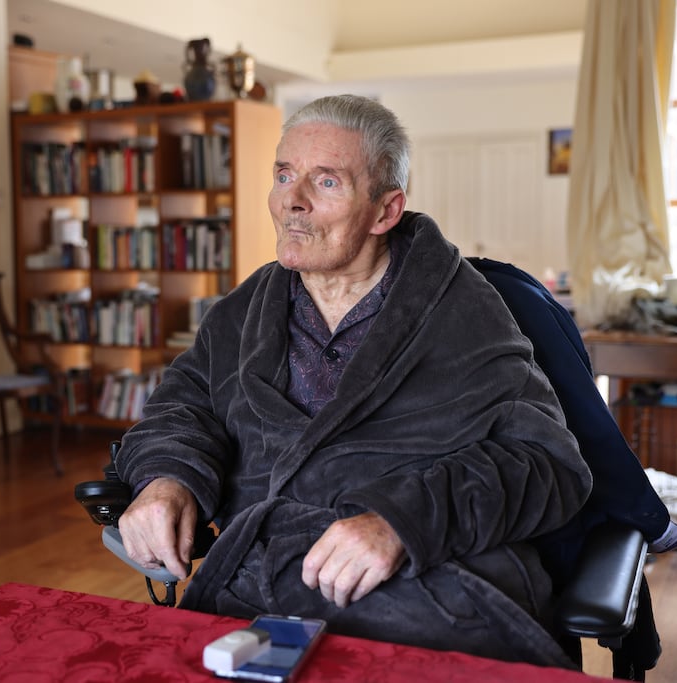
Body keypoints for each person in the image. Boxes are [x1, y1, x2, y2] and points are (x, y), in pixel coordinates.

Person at [114, 94, 593, 668]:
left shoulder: (462, 314)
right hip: (257, 591)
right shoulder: (242, 313)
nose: (291, 202)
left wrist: (401, 521)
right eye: (284, 175)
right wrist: (167, 478)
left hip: (424, 586)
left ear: (385, 211)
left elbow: (546, 464)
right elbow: (182, 410)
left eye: (326, 183)